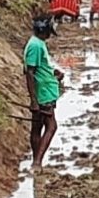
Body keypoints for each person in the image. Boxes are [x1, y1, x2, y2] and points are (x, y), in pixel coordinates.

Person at [25, 14, 64, 169]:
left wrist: (54, 75)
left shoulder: (36, 43)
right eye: (48, 32)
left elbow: (38, 69)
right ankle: (37, 162)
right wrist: (34, 100)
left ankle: (36, 160)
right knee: (51, 126)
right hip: (43, 92)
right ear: (43, 30)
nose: (49, 35)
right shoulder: (36, 46)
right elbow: (30, 72)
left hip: (44, 89)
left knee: (37, 126)